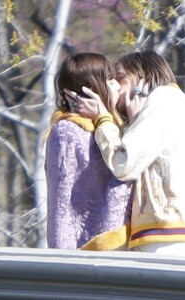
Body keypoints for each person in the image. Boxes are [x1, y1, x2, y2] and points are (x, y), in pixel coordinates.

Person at [65, 51, 185, 257]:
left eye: (121, 77)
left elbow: (123, 164)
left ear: (143, 77)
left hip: (169, 239)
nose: (114, 85)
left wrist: (102, 119)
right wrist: (133, 122)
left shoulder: (163, 99)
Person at [45, 52, 133, 251]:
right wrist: (64, 260)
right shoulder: (67, 131)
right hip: (87, 252)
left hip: (119, 248)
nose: (117, 86)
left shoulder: (109, 128)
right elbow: (62, 204)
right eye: (110, 80)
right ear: (91, 90)